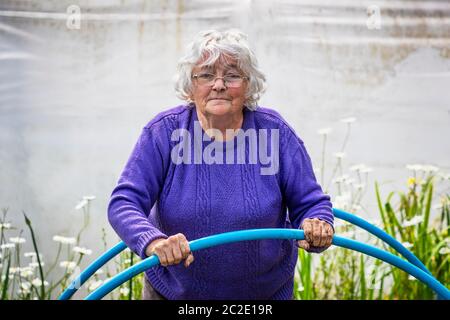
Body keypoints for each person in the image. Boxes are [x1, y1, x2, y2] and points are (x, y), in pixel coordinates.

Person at [108, 29, 334, 300]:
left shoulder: (276, 133)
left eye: (232, 75)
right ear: (190, 87)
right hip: (174, 294)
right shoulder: (163, 133)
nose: (218, 85)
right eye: (205, 75)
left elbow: (311, 203)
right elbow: (124, 203)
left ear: (248, 85)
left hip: (264, 296)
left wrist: (318, 225)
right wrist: (154, 242)